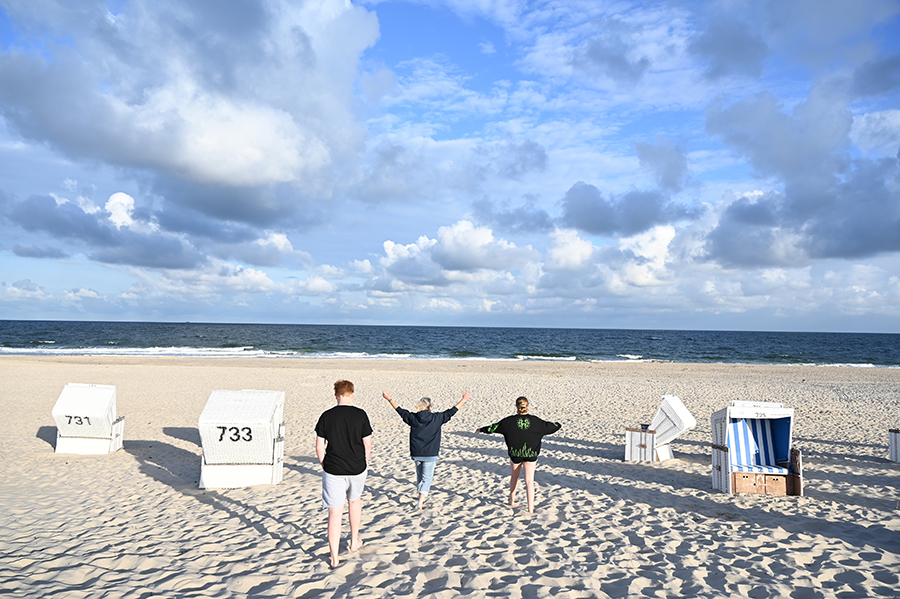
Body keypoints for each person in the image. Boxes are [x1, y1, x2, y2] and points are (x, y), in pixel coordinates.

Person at [315, 380, 373, 569]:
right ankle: (354, 541)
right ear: (352, 394)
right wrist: (365, 462)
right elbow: (368, 444)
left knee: (334, 513)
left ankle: (334, 558)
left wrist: (325, 464)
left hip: (333, 469)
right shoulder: (360, 414)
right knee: (354, 501)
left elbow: (319, 446)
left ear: (336, 395)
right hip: (357, 468)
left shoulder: (326, 416)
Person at [384, 390, 470, 509]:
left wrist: (389, 399)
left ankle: (423, 496)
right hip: (430, 453)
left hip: (417, 452)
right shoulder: (437, 418)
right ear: (430, 407)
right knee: (427, 477)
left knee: (420, 476)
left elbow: (400, 411)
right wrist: (464, 400)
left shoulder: (413, 417)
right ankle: (420, 501)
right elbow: (451, 412)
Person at [475, 396, 561, 513]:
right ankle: (530, 509)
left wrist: (482, 429)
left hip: (515, 454)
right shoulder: (536, 421)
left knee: (514, 477)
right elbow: (550, 426)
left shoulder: (508, 421)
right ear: (528, 406)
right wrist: (559, 425)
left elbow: (493, 427)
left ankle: (512, 499)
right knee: (529, 481)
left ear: (516, 406)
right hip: (531, 455)